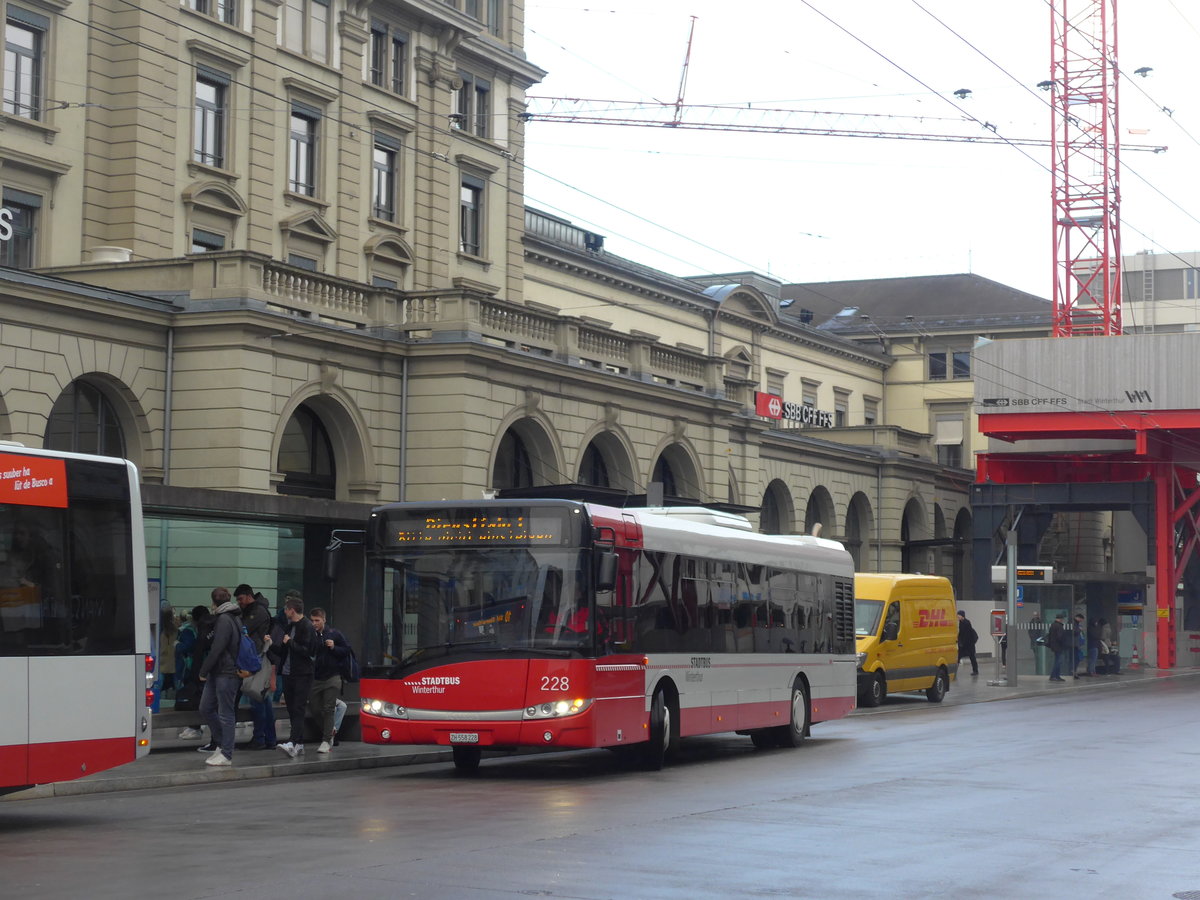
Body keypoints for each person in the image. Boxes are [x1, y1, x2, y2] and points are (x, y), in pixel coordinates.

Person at [197, 587, 242, 767]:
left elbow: (218, 648)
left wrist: (203, 670)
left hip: (226, 672)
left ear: (214, 602)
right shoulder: (234, 616)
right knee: (205, 707)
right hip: (220, 671)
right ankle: (222, 744)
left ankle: (226, 753)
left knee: (226, 713)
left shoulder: (224, 619)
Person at [273, 593, 318, 759]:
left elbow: (308, 651)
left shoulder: (306, 626)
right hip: (288, 672)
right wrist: (271, 645)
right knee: (292, 708)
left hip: (302, 674)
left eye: (286, 609)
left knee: (298, 708)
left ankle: (292, 742)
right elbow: (284, 650)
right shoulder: (289, 626)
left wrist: (290, 642)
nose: (284, 612)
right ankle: (298, 743)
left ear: (292, 610)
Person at [235, 584, 275, 750]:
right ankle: (268, 739)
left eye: (240, 599)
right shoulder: (256, 609)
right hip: (257, 658)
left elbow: (243, 629)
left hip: (255, 659)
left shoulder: (257, 611)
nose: (239, 602)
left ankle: (260, 738)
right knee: (262, 700)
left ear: (248, 595)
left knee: (257, 699)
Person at [307, 607, 350, 754]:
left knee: (329, 707)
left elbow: (346, 651)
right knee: (314, 707)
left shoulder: (334, 634)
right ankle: (329, 730)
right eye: (312, 620)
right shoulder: (310, 635)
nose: (314, 623)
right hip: (316, 677)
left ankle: (326, 740)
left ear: (324, 620)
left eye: (317, 620)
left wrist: (334, 647)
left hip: (333, 676)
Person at [1046, 612, 1069, 681]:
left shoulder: (1053, 625)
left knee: (1058, 661)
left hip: (1054, 646)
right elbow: (1060, 637)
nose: (1063, 620)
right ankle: (1054, 676)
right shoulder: (1059, 626)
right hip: (1058, 646)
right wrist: (1064, 643)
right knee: (1058, 661)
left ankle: (1056, 676)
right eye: (1062, 619)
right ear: (1061, 619)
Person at [957, 610, 979, 676]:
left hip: (969, 644)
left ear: (962, 616)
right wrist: (958, 639)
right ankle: (954, 671)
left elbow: (967, 634)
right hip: (963, 644)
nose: (957, 616)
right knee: (958, 657)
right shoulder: (960, 622)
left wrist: (962, 642)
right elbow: (961, 633)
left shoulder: (967, 622)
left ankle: (975, 670)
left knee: (972, 657)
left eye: (959, 615)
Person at [1072, 613, 1087, 678]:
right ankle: (1073, 672)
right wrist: (1079, 629)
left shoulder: (1076, 623)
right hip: (1074, 644)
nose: (1081, 621)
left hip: (1076, 644)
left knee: (1078, 658)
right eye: (1081, 619)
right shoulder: (1073, 623)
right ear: (1078, 618)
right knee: (1076, 658)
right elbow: (1075, 632)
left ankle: (1074, 672)